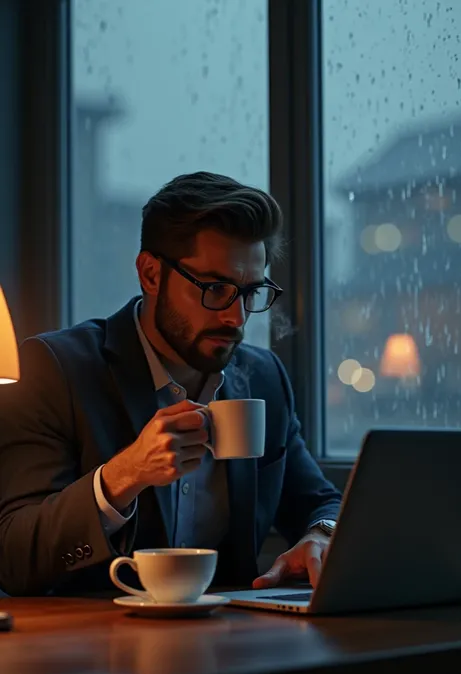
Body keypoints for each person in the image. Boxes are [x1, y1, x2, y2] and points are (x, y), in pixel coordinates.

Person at [0, 171, 341, 596]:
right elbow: (14, 556)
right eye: (216, 288)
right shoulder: (58, 369)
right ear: (151, 275)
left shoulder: (262, 377)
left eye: (250, 291)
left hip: (231, 645)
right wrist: (123, 476)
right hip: (93, 647)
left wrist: (322, 533)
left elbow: (321, 503)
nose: (236, 318)